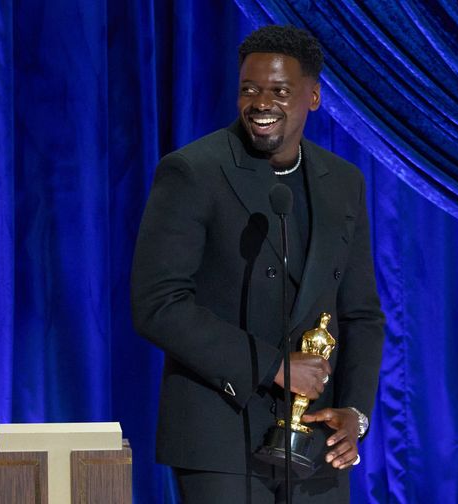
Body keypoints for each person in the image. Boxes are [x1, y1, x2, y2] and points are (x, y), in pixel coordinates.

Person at [131, 24, 385, 503]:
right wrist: (273, 366)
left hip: (315, 440)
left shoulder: (343, 183)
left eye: (279, 91)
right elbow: (157, 303)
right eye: (249, 89)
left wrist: (355, 412)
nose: (261, 103)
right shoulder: (193, 172)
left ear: (312, 97)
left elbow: (361, 314)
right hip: (220, 439)